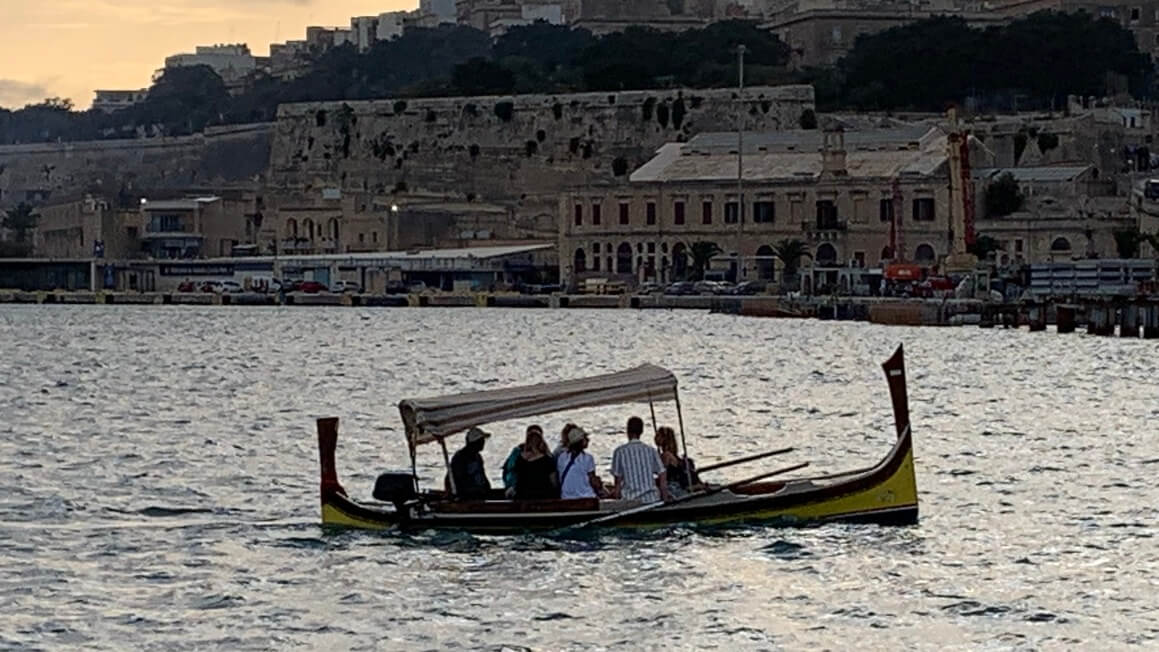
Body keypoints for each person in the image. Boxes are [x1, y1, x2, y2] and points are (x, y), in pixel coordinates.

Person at [611, 416, 671, 504]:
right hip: (652, 498)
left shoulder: (620, 452)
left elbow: (618, 482)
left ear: (628, 431)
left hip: (630, 500)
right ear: (641, 431)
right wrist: (665, 498)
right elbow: (662, 474)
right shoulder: (651, 450)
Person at [556, 425, 604, 499]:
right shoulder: (587, 458)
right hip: (586, 496)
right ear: (580, 441)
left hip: (566, 497)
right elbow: (593, 481)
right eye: (585, 438)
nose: (588, 440)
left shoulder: (562, 457)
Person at [513, 426, 558, 500]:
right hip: (543, 498)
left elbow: (516, 477)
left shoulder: (520, 459)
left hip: (522, 498)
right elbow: (553, 481)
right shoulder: (547, 459)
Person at [448, 426, 492, 500]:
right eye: (481, 441)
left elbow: (482, 475)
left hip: (480, 493)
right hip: (467, 496)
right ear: (474, 442)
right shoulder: (460, 458)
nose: (483, 443)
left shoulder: (478, 457)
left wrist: (487, 488)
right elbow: (460, 480)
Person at [655, 426, 700, 496]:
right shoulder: (673, 455)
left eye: (658, 435)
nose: (655, 438)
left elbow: (663, 474)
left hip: (673, 485)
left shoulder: (666, 455)